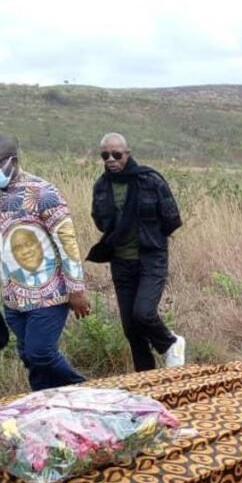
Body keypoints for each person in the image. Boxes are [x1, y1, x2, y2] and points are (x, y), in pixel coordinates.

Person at [0, 133, 91, 391]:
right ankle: (45, 410)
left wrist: (76, 289)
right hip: (12, 296)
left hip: (50, 293)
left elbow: (67, 242)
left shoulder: (43, 193)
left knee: (40, 353)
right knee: (28, 358)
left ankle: (84, 390)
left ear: (13, 161)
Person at [88, 133, 185, 371]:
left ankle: (171, 342)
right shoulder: (102, 185)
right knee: (131, 328)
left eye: (116, 154)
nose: (111, 159)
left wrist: (150, 236)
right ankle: (146, 378)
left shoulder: (150, 180)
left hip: (151, 258)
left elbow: (171, 218)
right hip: (120, 261)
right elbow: (100, 221)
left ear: (127, 154)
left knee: (143, 313)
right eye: (105, 155)